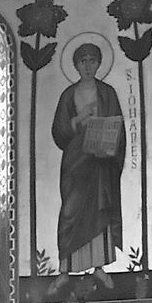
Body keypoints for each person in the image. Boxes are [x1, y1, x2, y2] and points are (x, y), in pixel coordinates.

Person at [52, 41, 126, 272]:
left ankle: (99, 269)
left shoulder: (107, 93)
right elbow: (58, 132)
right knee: (70, 211)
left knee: (99, 212)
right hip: (75, 165)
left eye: (92, 61)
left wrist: (109, 143)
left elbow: (119, 128)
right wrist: (78, 120)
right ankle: (66, 268)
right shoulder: (68, 95)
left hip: (100, 164)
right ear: (75, 65)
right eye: (82, 61)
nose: (87, 66)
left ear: (99, 64)